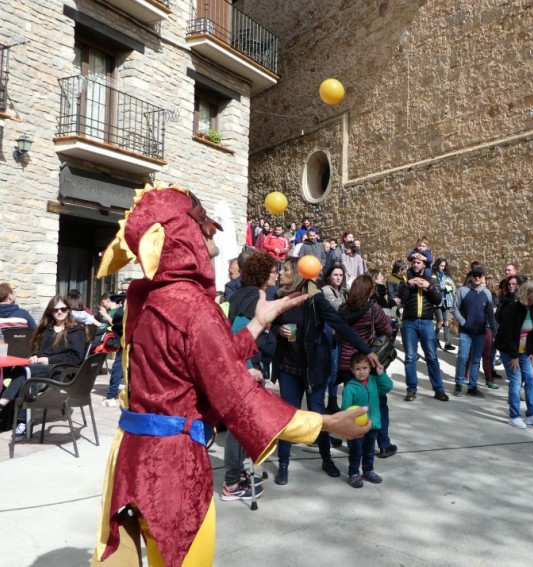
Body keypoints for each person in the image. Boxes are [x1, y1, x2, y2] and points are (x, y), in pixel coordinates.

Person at [90, 185, 370, 567]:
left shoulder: (150, 298)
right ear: (182, 235)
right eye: (203, 224)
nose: (212, 232)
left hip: (129, 458)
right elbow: (238, 397)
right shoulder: (192, 307)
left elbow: (208, 367)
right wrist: (323, 422)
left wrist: (258, 322)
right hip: (173, 469)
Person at [272, 257, 381, 487]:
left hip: (314, 369)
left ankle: (326, 459)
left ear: (298, 275)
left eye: (286, 270)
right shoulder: (279, 297)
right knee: (287, 416)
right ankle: (283, 463)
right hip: (288, 368)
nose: (281, 273)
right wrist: (279, 331)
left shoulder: (316, 300)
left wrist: (367, 350)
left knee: (318, 415)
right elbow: (271, 326)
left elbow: (341, 326)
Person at [221, 252, 279, 502]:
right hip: (244, 372)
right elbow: (237, 335)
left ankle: (236, 475)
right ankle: (231, 484)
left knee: (243, 426)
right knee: (239, 428)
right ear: (263, 274)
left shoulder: (244, 293)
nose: (275, 274)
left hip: (245, 368)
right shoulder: (252, 296)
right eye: (272, 270)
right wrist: (247, 369)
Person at [0, 295, 87, 436]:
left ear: (68, 310)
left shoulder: (76, 329)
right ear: (50, 312)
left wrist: (49, 360)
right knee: (26, 373)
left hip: (64, 370)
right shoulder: (47, 329)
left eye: (63, 309)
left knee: (26, 373)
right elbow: (38, 349)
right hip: (43, 369)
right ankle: (22, 421)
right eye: (55, 309)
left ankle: (6, 406)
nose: (59, 312)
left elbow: (76, 357)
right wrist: (35, 356)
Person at [337, 274, 396, 458]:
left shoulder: (342, 309)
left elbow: (338, 335)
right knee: (378, 403)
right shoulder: (373, 309)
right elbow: (387, 331)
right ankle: (383, 443)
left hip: (348, 362)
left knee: (351, 403)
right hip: (368, 362)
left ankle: (354, 441)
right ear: (370, 291)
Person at [495, 280, 533, 429]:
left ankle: (531, 414)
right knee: (516, 382)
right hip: (509, 350)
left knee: (530, 379)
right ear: (527, 293)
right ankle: (514, 416)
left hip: (524, 351)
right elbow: (507, 332)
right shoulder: (513, 307)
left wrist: (532, 351)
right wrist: (514, 355)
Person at [399, 253, 449, 402]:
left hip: (427, 322)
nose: (415, 264)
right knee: (410, 358)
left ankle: (439, 389)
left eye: (419, 262)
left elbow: (439, 299)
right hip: (409, 322)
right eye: (414, 262)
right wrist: (409, 285)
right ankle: (411, 389)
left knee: (432, 357)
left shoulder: (432, 279)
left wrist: (429, 287)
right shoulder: (406, 279)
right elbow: (402, 297)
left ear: (424, 265)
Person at [341, 352, 394, 488]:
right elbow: (346, 409)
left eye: (364, 368)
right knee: (356, 451)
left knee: (369, 450)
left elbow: (387, 387)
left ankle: (368, 471)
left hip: (372, 425)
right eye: (357, 369)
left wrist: (381, 374)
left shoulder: (374, 382)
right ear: (352, 370)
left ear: (370, 368)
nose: (361, 372)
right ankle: (353, 474)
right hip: (357, 428)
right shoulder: (350, 388)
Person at [452, 266, 497, 398]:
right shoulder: (463, 291)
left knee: (476, 360)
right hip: (466, 332)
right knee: (462, 357)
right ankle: (459, 384)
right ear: (471, 276)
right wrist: (463, 322)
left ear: (483, 276)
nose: (477, 277)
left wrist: (493, 329)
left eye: (479, 275)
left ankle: (472, 386)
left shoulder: (487, 293)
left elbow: (489, 313)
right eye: (475, 275)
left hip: (481, 332)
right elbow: (455, 309)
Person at [321, 263, 347, 413]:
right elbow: (339, 308)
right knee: (331, 369)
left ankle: (332, 399)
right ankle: (323, 400)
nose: (338, 278)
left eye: (340, 275)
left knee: (336, 370)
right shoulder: (326, 291)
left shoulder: (343, 291)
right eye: (335, 275)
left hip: (340, 335)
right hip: (329, 334)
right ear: (329, 277)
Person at [433, 257, 457, 351]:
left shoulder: (447, 276)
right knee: (440, 322)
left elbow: (453, 286)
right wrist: (444, 286)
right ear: (437, 265)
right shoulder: (434, 275)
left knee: (446, 322)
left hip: (447, 301)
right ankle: (434, 339)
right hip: (438, 302)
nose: (442, 268)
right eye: (441, 265)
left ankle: (447, 343)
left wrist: (451, 289)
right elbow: (436, 287)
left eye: (444, 266)